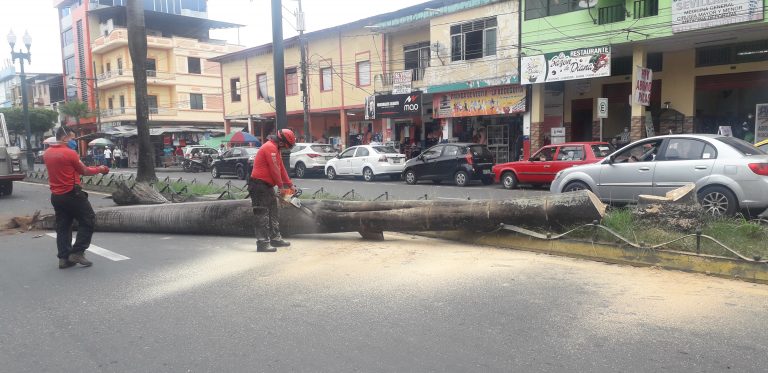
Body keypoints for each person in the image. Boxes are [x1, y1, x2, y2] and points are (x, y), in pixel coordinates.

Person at [43, 126, 109, 269]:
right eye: (72, 138)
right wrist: (101, 169)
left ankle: (64, 258)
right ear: (65, 137)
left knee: (63, 226)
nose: (74, 141)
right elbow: (84, 170)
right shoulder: (70, 153)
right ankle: (78, 252)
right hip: (72, 194)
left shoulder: (47, 153)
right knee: (88, 219)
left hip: (56, 196)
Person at [248, 129, 296, 252]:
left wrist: (290, 185)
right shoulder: (270, 148)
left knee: (273, 212)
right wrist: (281, 187)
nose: (287, 148)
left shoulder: (276, 149)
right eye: (287, 146)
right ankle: (262, 243)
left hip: (267, 186)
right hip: (258, 185)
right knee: (262, 214)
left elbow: (281, 169)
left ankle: (275, 238)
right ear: (282, 142)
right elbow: (275, 170)